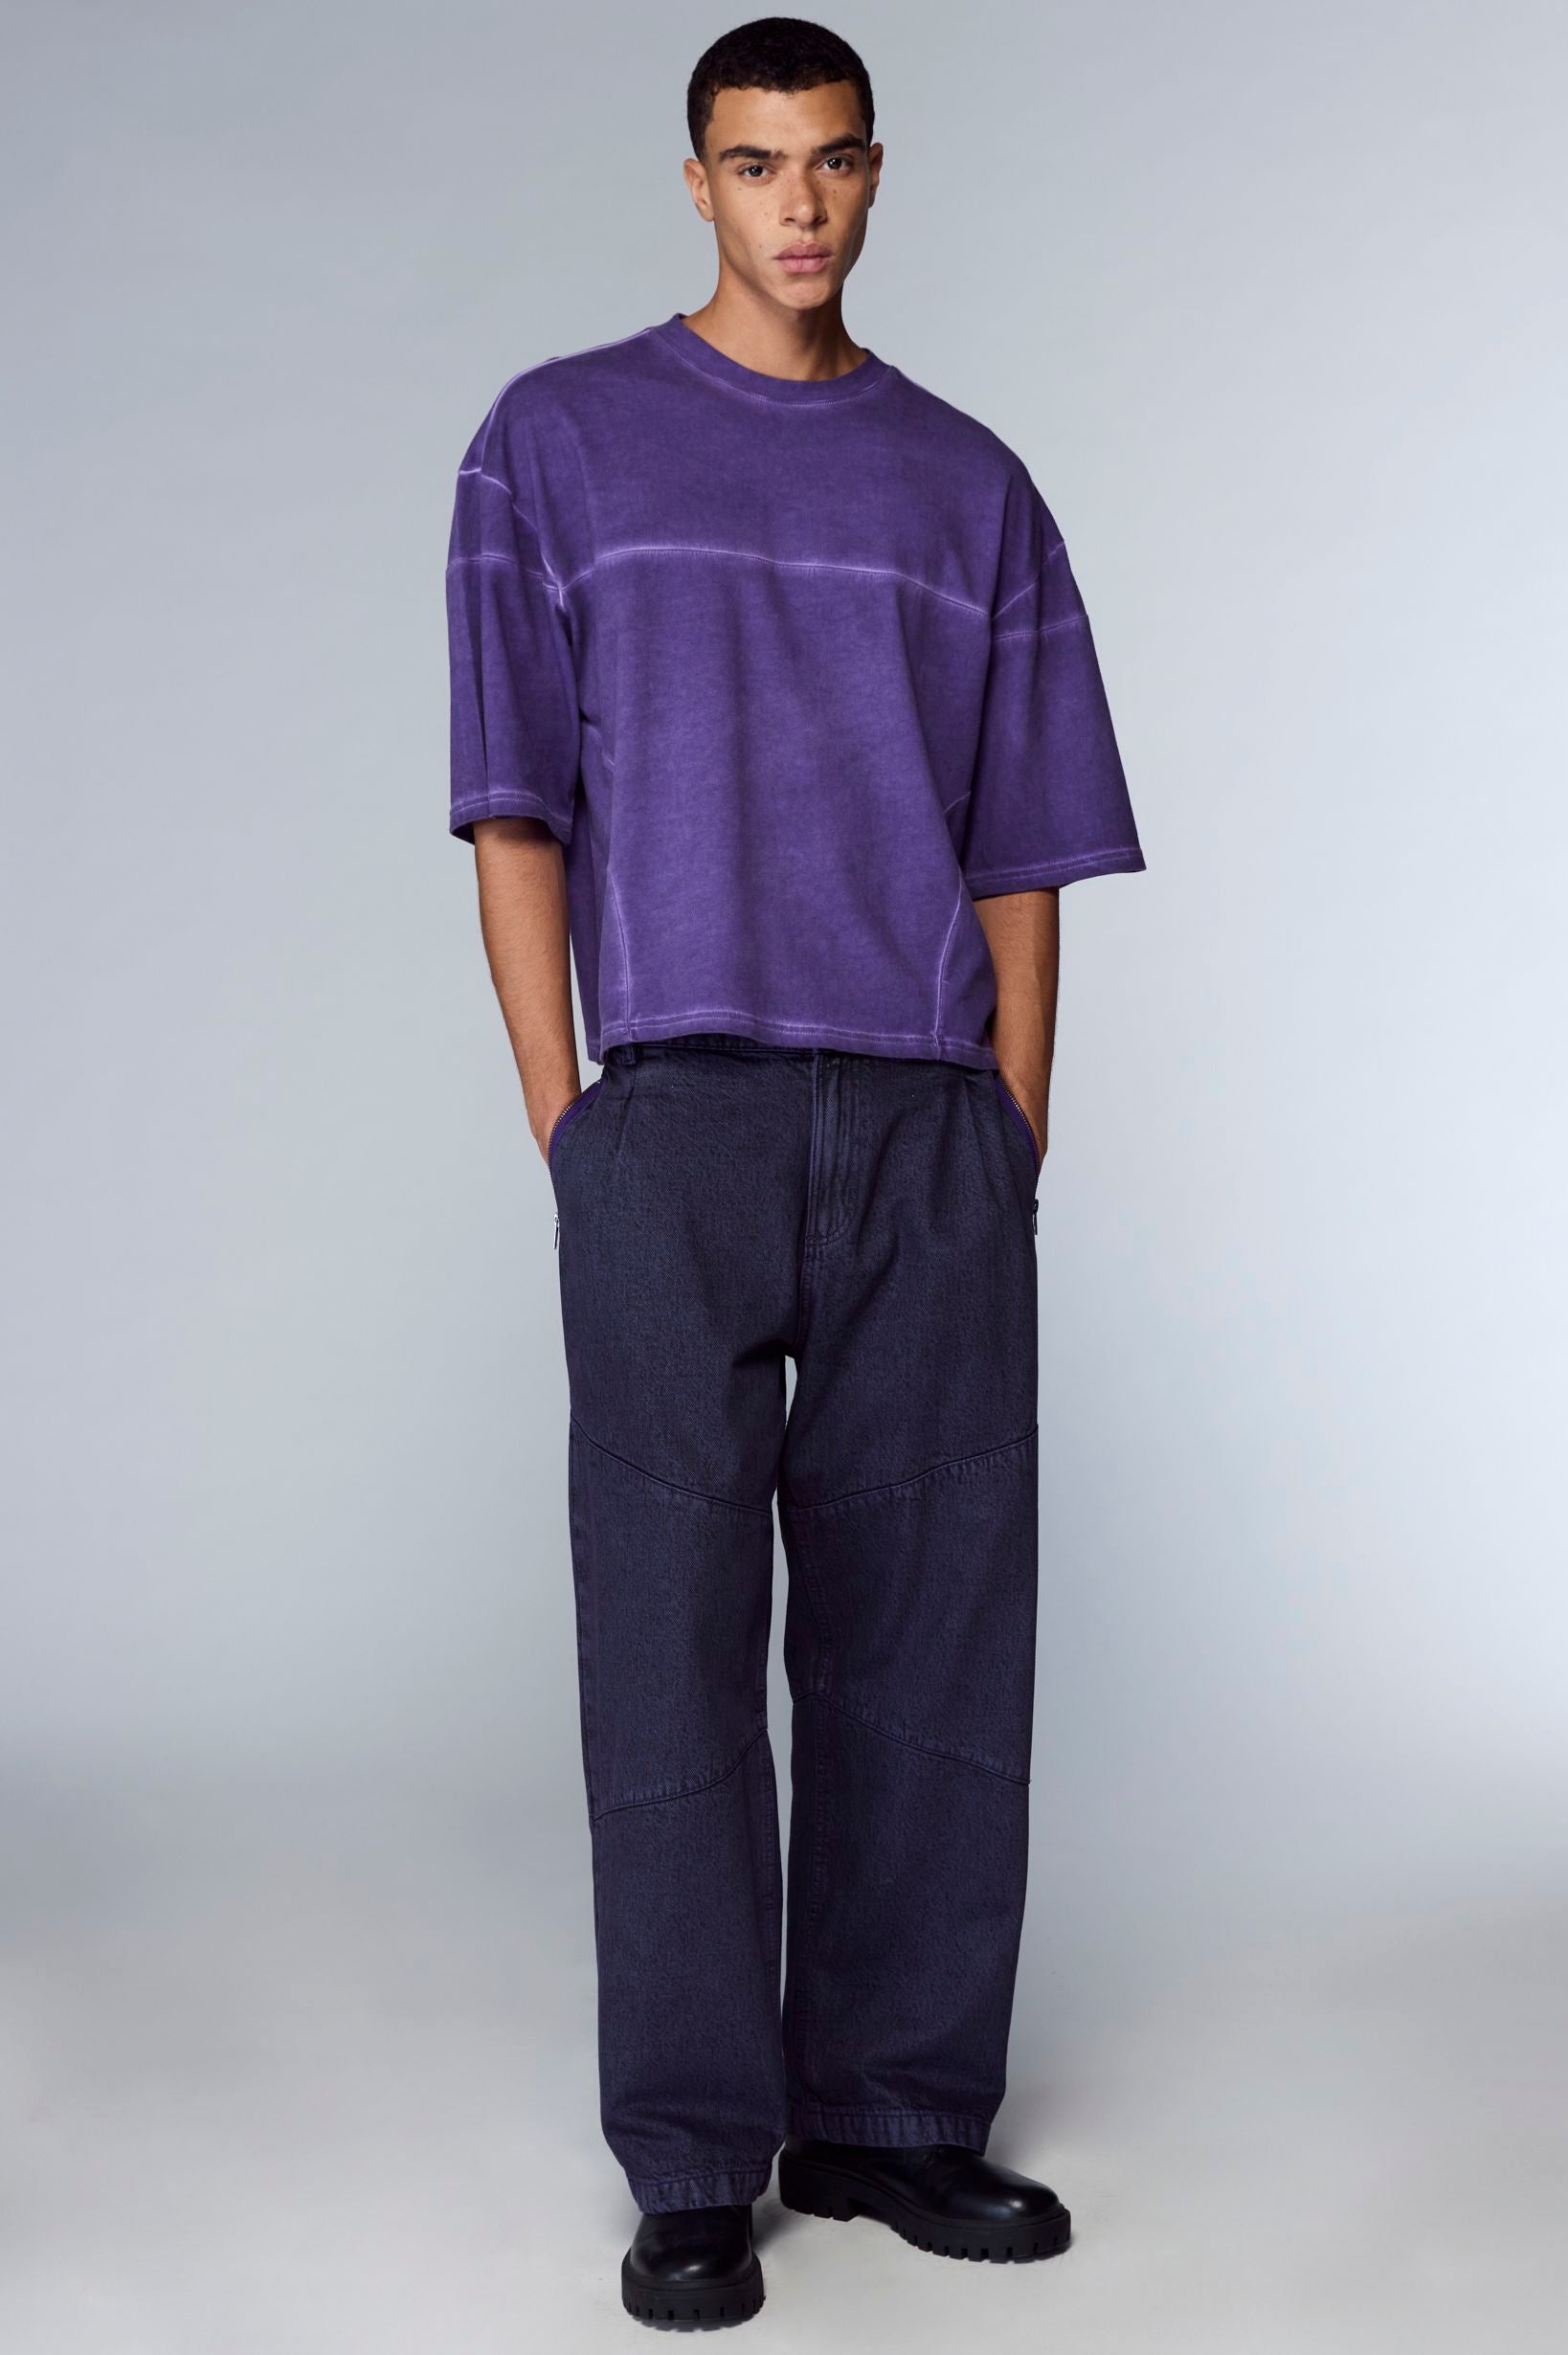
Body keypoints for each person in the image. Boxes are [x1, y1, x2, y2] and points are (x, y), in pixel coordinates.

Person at [445, 14, 1145, 2328]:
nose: (800, 204)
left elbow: (1025, 843)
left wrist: (1011, 1120)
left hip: (926, 1121)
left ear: (874, 173)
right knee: (662, 1656)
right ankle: (692, 2156)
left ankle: (893, 2119)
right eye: (756, 165)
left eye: (832, 161)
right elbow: (513, 811)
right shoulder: (556, 443)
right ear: (697, 183)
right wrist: (570, 1122)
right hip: (675, 1116)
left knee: (934, 1637)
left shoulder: (970, 485)